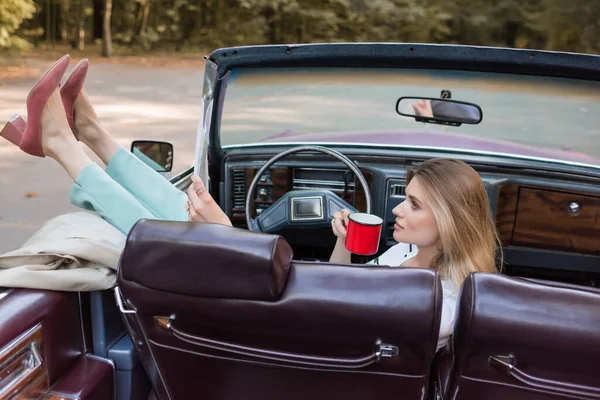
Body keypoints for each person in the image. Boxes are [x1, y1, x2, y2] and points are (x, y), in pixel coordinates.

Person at [1, 54, 231, 236]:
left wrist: (224, 233)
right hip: (246, 263)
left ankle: (60, 143)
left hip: (230, 279)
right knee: (182, 211)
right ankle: (91, 133)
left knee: (168, 236)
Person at [330, 158, 501, 351]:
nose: (396, 210)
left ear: (449, 222)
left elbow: (340, 312)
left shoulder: (445, 304)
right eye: (405, 199)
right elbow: (339, 287)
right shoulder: (406, 249)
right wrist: (344, 242)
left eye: (414, 205)